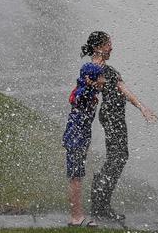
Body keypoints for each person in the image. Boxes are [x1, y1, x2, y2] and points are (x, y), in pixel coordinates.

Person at [85, 31, 158, 221]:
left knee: (118, 157)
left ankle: (100, 196)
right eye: (108, 44)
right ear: (98, 47)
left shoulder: (107, 69)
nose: (111, 47)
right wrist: (96, 80)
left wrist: (142, 107)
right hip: (111, 116)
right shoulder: (93, 68)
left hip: (115, 116)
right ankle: (100, 201)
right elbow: (91, 83)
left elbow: (124, 90)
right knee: (118, 157)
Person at [63, 62, 105, 227]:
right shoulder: (85, 92)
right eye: (101, 77)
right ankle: (76, 217)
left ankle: (78, 215)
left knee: (77, 176)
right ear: (90, 79)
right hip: (76, 139)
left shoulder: (88, 90)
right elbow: (85, 91)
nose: (104, 80)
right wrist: (89, 83)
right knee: (75, 177)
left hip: (79, 138)